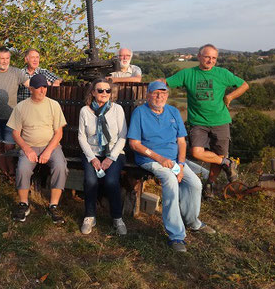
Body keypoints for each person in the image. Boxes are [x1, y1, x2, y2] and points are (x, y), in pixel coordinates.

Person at [128, 81, 216, 252]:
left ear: (167, 96)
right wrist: (159, 158)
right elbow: (134, 144)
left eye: (163, 93)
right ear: (148, 95)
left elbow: (182, 142)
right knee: (170, 180)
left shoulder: (173, 111)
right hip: (150, 159)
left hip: (175, 160)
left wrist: (181, 165)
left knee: (195, 184)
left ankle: (192, 221)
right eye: (155, 93)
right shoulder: (140, 113)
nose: (159, 96)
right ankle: (176, 235)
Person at [165, 44, 249, 198]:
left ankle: (210, 184)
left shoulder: (222, 74)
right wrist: (150, 86)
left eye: (214, 58)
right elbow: (165, 82)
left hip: (221, 121)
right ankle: (228, 163)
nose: (210, 60)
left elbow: (244, 85)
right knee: (197, 152)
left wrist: (230, 96)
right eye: (207, 57)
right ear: (199, 56)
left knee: (218, 156)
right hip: (198, 121)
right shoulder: (188, 74)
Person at [7, 74, 68, 223]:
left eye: (45, 87)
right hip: (29, 146)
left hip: (51, 145)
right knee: (22, 168)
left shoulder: (53, 105)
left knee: (60, 166)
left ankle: (53, 206)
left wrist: (48, 151)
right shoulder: (21, 107)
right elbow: (15, 133)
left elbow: (59, 133)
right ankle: (23, 204)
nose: (42, 90)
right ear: (31, 89)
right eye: (39, 87)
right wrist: (27, 149)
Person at [77, 78, 127, 235]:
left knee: (111, 181)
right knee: (90, 181)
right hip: (92, 153)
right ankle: (90, 216)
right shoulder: (85, 111)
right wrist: (92, 158)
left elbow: (123, 136)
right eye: (100, 90)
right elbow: (81, 137)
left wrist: (110, 158)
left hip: (114, 153)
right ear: (93, 92)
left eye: (107, 90)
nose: (104, 93)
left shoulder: (117, 109)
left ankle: (117, 218)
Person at [0, 46, 29, 179]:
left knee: (9, 145)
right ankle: (4, 172)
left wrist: (44, 86)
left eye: (7, 58)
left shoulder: (16, 72)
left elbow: (30, 84)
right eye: (2, 58)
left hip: (11, 117)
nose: (5, 61)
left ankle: (12, 171)